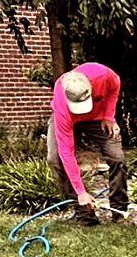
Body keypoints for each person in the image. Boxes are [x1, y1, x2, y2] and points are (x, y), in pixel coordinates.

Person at [48, 63, 128, 220]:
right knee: (56, 159)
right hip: (69, 119)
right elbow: (67, 152)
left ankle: (120, 212)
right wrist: (81, 191)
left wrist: (108, 116)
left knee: (117, 157)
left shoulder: (102, 75)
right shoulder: (62, 104)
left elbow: (115, 85)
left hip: (98, 118)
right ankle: (85, 213)